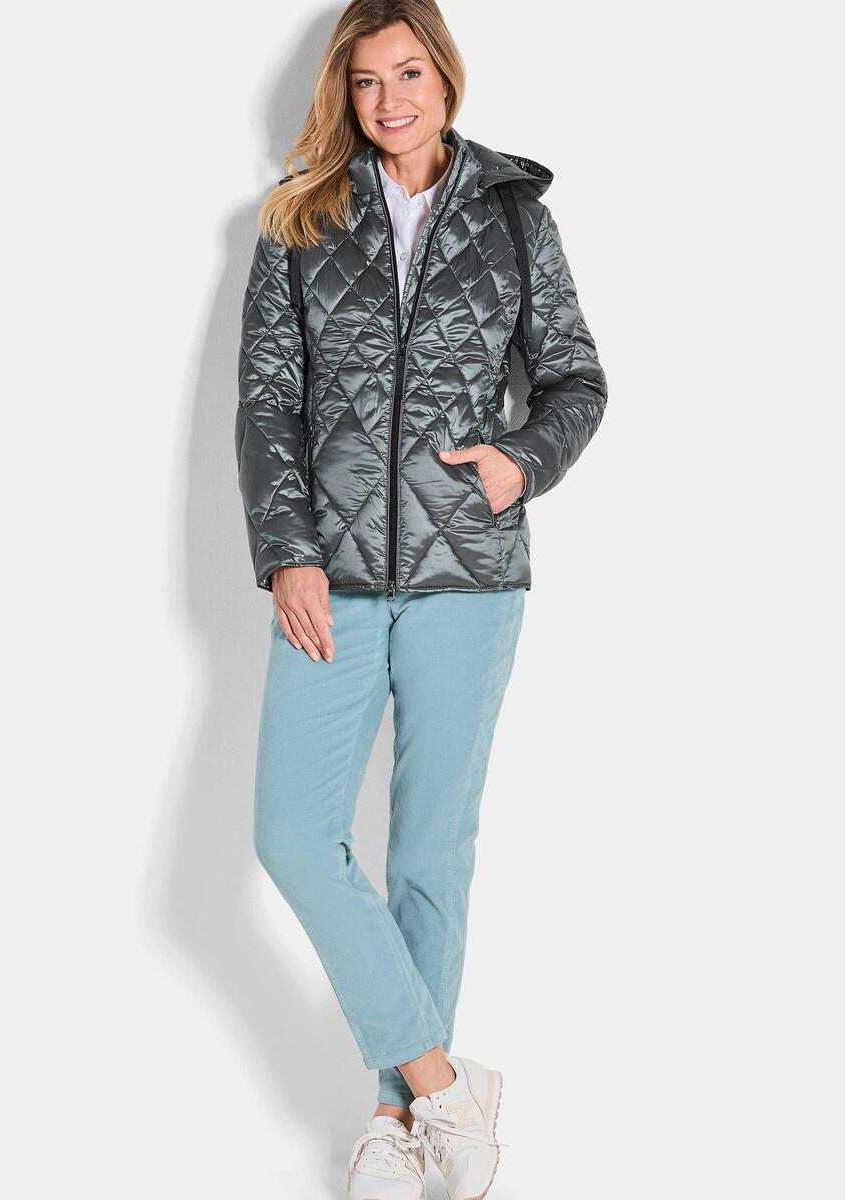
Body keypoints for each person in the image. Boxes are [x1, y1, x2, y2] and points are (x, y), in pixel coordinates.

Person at [235, 2, 607, 1195]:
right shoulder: (301, 216)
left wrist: (521, 462)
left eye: (409, 74)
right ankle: (449, 1086)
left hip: (471, 575)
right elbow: (267, 402)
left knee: (432, 849)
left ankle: (398, 1126)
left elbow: (576, 379)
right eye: (366, 82)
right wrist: (289, 549)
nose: (390, 100)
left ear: (445, 77)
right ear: (342, 95)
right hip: (331, 577)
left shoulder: (513, 213)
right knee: (294, 835)